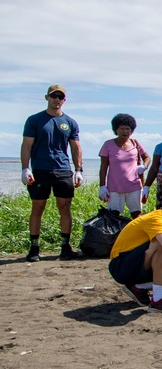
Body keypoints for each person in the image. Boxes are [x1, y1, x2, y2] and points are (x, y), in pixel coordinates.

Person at [21, 84, 84, 262]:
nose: (57, 100)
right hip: (40, 169)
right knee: (38, 207)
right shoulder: (34, 120)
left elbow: (76, 147)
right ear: (47, 98)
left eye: (60, 97)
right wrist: (25, 168)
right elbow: (26, 145)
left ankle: (65, 246)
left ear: (64, 100)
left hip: (63, 169)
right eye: (53, 96)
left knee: (65, 207)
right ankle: (34, 248)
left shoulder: (70, 122)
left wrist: (78, 170)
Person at [98, 113, 151, 219]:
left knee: (137, 215)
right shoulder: (108, 145)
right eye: (122, 129)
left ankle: (137, 235)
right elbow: (103, 167)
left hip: (134, 186)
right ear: (116, 129)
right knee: (113, 216)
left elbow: (147, 158)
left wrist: (143, 166)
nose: (125, 132)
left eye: (128, 129)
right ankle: (116, 236)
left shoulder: (135, 143)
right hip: (114, 188)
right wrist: (102, 186)